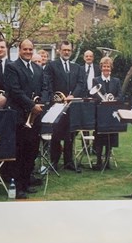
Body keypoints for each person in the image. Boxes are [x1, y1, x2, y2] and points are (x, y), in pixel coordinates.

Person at [5, 39, 47, 199]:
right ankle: (18, 187)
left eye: (30, 49)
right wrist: (31, 106)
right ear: (19, 50)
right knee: (19, 153)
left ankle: (26, 183)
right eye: (25, 49)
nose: (28, 52)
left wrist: (41, 102)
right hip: (20, 117)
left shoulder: (38, 68)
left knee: (32, 151)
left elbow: (44, 87)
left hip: (35, 117)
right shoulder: (12, 67)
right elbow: (15, 91)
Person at [44, 40, 86, 171]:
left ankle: (69, 162)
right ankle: (54, 162)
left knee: (70, 135)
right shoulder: (52, 66)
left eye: (69, 50)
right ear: (59, 51)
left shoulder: (77, 67)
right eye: (64, 50)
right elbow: (48, 83)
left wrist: (73, 95)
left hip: (71, 107)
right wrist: (55, 98)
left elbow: (81, 83)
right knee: (56, 135)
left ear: (71, 51)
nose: (66, 52)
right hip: (57, 106)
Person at [90, 56, 122, 170]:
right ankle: (98, 161)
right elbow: (93, 95)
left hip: (111, 112)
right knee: (99, 137)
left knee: (110, 137)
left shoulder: (116, 81)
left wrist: (113, 99)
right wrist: (102, 100)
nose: (106, 69)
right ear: (101, 67)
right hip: (100, 112)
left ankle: (107, 161)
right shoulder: (96, 80)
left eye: (108, 67)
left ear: (111, 68)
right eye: (104, 67)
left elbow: (120, 95)